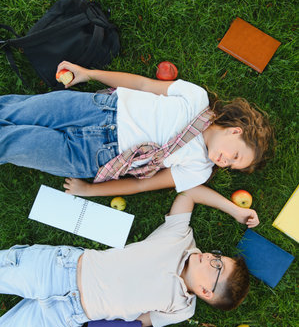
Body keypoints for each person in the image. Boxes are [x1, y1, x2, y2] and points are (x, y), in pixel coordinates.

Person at [0, 186, 250, 327]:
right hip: (59, 268)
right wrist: (233, 210)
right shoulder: (181, 237)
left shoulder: (182, 308)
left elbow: (134, 325)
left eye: (217, 265)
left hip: (68, 315)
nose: (211, 256)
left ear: (206, 291)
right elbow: (189, 193)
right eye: (219, 255)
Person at [0, 61, 273, 227]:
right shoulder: (196, 98)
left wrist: (90, 191)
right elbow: (142, 85)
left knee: (14, 143)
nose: (225, 163)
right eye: (235, 155)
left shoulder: (199, 168)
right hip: (97, 109)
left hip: (94, 155)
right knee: (16, 111)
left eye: (232, 166)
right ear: (235, 131)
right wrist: (89, 73)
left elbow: (141, 184)